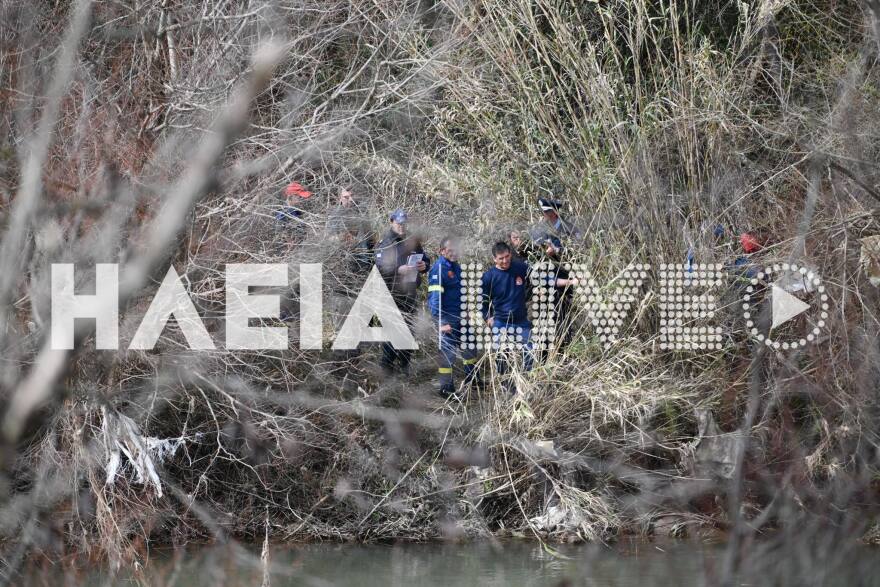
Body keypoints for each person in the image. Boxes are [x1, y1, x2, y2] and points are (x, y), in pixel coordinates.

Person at [375, 209, 430, 374]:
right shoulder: (385, 243)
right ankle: (387, 368)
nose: (402, 227)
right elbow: (379, 268)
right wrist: (398, 270)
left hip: (410, 293)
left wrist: (424, 266)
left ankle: (405, 365)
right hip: (391, 294)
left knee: (409, 330)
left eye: (404, 224)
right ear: (392, 222)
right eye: (399, 223)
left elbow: (425, 259)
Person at [427, 236, 480, 399]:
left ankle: (473, 380)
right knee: (447, 355)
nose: (454, 252)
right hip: (447, 319)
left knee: (470, 348)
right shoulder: (439, 269)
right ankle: (446, 389)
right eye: (450, 250)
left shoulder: (456, 267)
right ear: (442, 251)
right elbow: (434, 299)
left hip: (461, 317)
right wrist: (440, 322)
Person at [480, 242, 534, 387]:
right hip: (501, 323)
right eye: (501, 258)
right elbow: (481, 302)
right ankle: (506, 387)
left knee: (530, 353)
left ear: (510, 254)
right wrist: (488, 318)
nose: (505, 261)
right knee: (501, 356)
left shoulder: (520, 267)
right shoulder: (488, 277)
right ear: (494, 259)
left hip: (521, 321)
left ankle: (526, 385)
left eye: (507, 256)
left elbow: (539, 277)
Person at [534, 234, 579, 351]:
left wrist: (556, 250)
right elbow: (550, 281)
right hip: (548, 301)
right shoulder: (538, 261)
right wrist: (570, 282)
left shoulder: (561, 256)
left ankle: (566, 349)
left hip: (565, 298)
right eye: (546, 246)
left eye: (550, 245)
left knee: (565, 326)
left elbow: (572, 259)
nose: (549, 248)